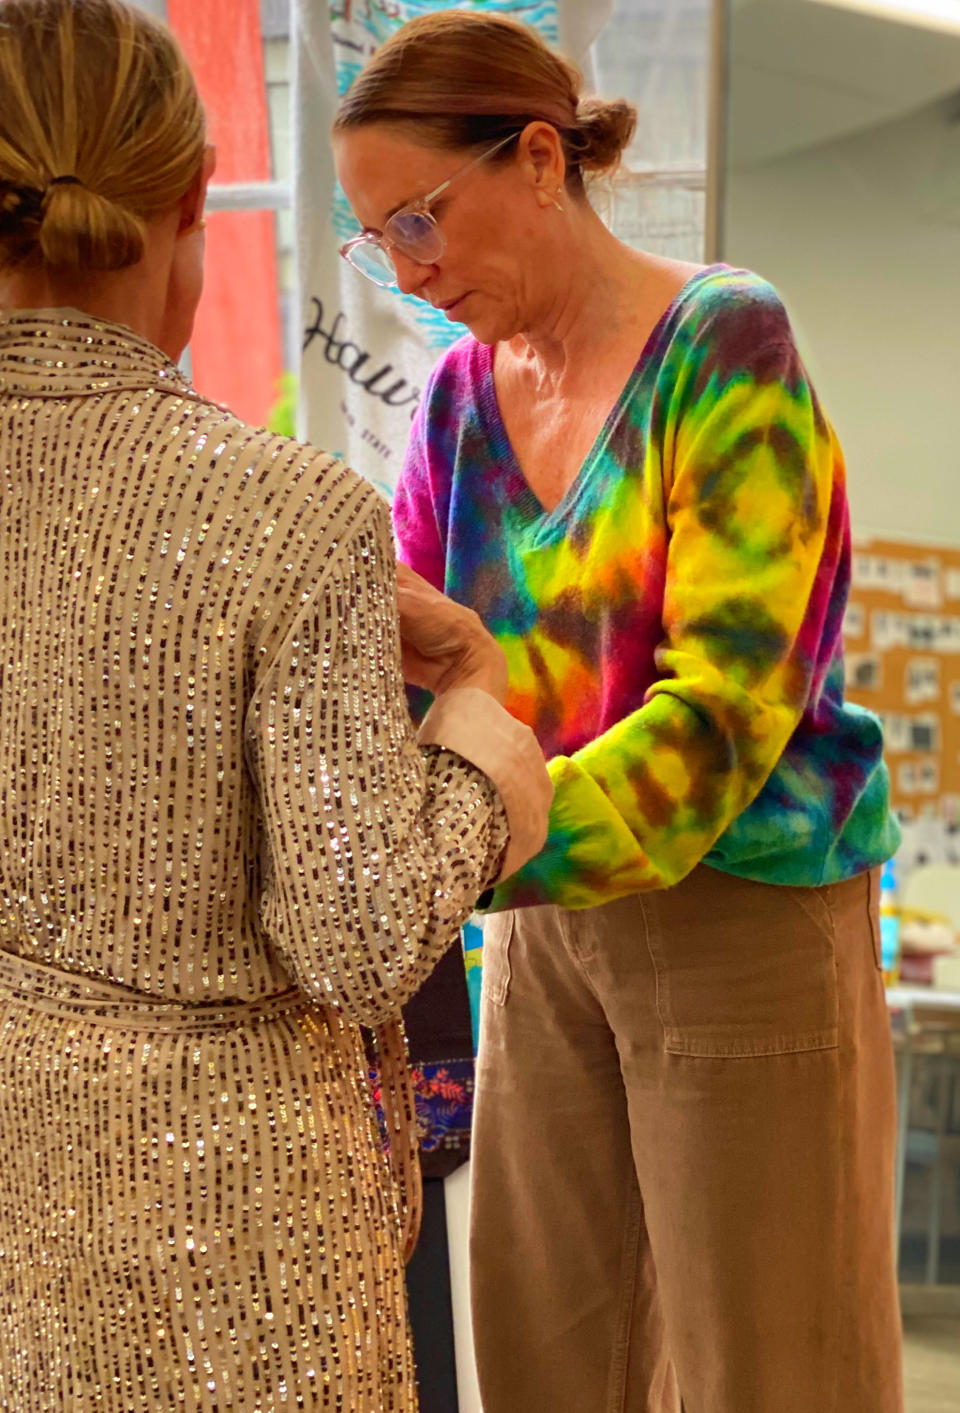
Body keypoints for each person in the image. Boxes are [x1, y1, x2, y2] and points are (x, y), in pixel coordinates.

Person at [332, 11, 904, 1412]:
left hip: (742, 915)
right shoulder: (461, 400)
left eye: (421, 221)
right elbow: (388, 652)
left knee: (767, 1364)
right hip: (538, 928)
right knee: (545, 1355)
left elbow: (719, 720)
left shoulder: (723, 341)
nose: (411, 275)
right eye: (375, 243)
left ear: (539, 159)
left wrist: (464, 837)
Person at [0, 3, 552, 1410]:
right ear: (192, 213)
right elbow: (360, 933)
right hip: (243, 1252)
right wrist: (479, 729)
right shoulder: (290, 515)